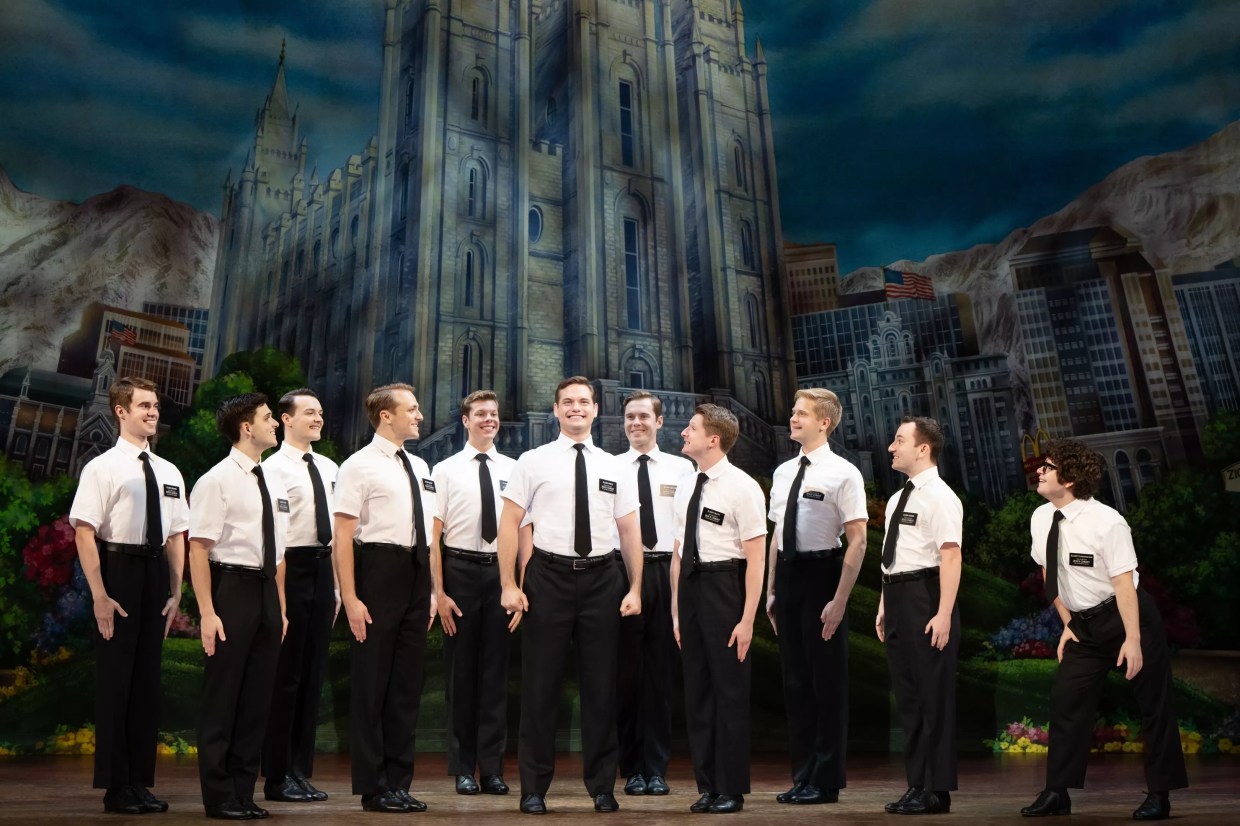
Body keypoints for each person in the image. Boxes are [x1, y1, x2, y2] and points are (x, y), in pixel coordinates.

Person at [1019, 439, 1187, 821]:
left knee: (1153, 705)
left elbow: (1125, 584)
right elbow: (1049, 575)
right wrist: (1068, 624)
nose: (1039, 471)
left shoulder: (1108, 522)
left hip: (1128, 617)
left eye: (1048, 466)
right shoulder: (1041, 518)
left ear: (1071, 478)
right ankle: (1057, 793)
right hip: (1084, 626)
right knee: (1066, 699)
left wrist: (1133, 639)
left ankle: (1160, 794)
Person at [497, 376, 644, 815]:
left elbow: (629, 530)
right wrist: (509, 583)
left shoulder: (616, 466)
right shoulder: (532, 461)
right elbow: (509, 525)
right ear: (557, 410)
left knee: (602, 688)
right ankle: (533, 789)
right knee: (540, 689)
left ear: (596, 410)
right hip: (548, 578)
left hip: (604, 580)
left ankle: (602, 787)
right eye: (568, 402)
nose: (576, 408)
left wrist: (636, 586)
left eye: (584, 402)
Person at [70, 376, 188, 815]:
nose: (153, 412)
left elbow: (178, 535)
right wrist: (100, 594)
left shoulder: (169, 472)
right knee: (117, 683)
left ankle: (140, 782)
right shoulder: (102, 467)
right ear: (121, 411)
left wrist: (177, 591)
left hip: (156, 575)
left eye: (155, 405)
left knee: (146, 686)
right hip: (117, 571)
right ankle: (115, 786)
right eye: (143, 405)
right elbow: (84, 532)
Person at [334, 383, 439, 813]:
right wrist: (351, 597)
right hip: (378, 571)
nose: (419, 415)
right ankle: (373, 786)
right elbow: (342, 537)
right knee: (372, 683)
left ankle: (399, 781)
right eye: (411, 409)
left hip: (417, 574)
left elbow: (431, 533)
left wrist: (432, 589)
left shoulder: (420, 464)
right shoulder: (358, 465)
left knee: (406, 686)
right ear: (386, 416)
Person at [188, 393, 289, 820]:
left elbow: (279, 553)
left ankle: (245, 793)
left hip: (267, 592)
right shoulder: (216, 480)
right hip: (231, 587)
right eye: (269, 418)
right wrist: (208, 612)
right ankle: (219, 796)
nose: (275, 425)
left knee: (257, 701)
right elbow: (198, 549)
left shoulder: (273, 480)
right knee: (223, 697)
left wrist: (281, 608)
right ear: (246, 427)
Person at [766, 388, 867, 805]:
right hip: (788, 577)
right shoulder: (784, 471)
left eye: (801, 413)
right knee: (796, 683)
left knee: (826, 683)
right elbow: (776, 533)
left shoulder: (844, 472)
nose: (793, 418)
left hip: (823, 575)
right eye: (793, 411)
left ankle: (826, 780)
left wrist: (840, 601)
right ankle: (803, 775)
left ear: (824, 422)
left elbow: (858, 540)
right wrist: (771, 589)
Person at [670, 404, 767, 815]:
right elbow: (677, 553)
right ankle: (707, 785)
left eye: (691, 428)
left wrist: (747, 620)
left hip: (725, 587)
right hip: (691, 590)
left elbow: (756, 558)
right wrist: (676, 612)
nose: (682, 434)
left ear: (713, 439)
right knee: (698, 695)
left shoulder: (743, 487)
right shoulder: (686, 485)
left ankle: (732, 788)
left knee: (729, 692)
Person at [431, 390, 516, 796]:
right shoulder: (444, 470)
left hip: (500, 575)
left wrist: (517, 585)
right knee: (461, 677)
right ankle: (464, 768)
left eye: (493, 414)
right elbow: (433, 540)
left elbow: (523, 532)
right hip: (460, 571)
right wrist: (439, 593)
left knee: (496, 677)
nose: (488, 419)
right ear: (465, 420)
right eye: (480, 413)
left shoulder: (515, 469)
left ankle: (494, 770)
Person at [875, 416, 962, 816]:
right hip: (896, 598)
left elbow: (950, 555)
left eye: (899, 441)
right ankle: (917, 785)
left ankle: (937, 789)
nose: (891, 448)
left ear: (922, 448)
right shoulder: (897, 499)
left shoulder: (942, 497)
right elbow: (892, 558)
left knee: (933, 698)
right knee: (909, 699)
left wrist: (944, 613)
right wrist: (882, 603)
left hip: (926, 598)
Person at [260, 388, 339, 804]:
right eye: (310, 412)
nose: (318, 419)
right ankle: (276, 777)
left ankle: (299, 771)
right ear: (286, 419)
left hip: (324, 569)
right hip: (290, 567)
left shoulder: (328, 467)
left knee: (312, 677)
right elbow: (274, 537)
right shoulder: (273, 469)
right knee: (285, 677)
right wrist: (280, 599)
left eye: (321, 412)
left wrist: (339, 587)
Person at [613, 391, 694, 798]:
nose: (636, 423)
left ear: (660, 423)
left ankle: (656, 768)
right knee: (626, 675)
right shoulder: (607, 468)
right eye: (630, 417)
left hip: (667, 572)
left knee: (660, 675)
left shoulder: (683, 469)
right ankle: (632, 768)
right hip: (622, 574)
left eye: (644, 416)